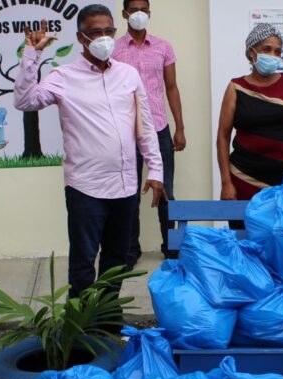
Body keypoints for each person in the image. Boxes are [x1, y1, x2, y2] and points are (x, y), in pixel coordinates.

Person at [14, 4, 165, 297]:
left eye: (109, 31)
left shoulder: (128, 75)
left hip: (125, 184)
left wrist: (155, 169)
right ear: (81, 37)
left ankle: (106, 320)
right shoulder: (64, 76)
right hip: (86, 187)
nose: (104, 38)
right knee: (84, 261)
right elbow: (25, 101)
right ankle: (81, 327)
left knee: (116, 259)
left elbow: (144, 126)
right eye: (96, 32)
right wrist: (32, 56)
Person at [112, 0, 185, 262]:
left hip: (159, 129)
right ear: (124, 14)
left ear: (150, 13)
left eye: (144, 9)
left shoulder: (163, 47)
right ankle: (129, 251)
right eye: (134, 10)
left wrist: (180, 128)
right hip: (126, 131)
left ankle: (171, 247)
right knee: (128, 193)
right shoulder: (115, 50)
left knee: (165, 190)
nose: (139, 14)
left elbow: (172, 87)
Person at [216, 23, 283, 205]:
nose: (273, 55)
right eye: (267, 49)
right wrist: (226, 182)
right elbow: (223, 137)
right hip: (245, 180)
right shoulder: (236, 87)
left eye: (277, 51)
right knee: (244, 233)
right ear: (251, 52)